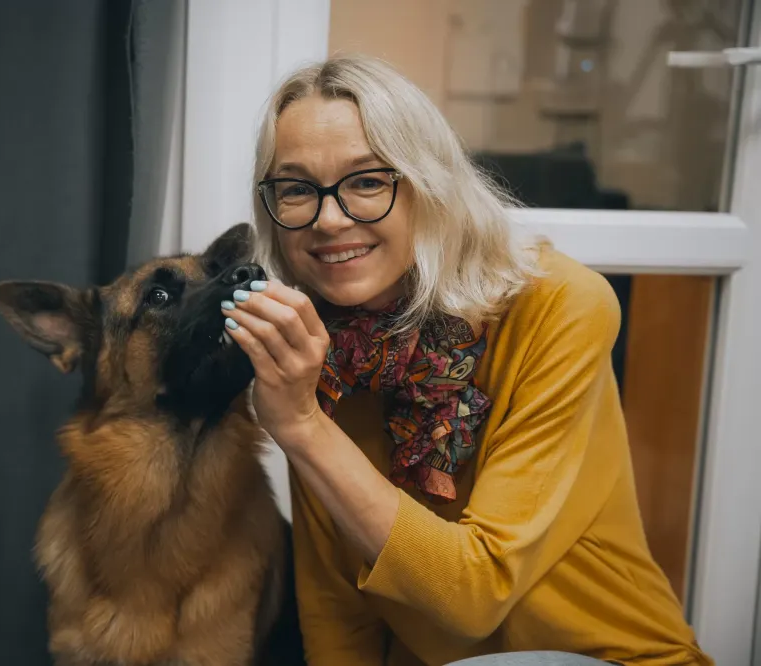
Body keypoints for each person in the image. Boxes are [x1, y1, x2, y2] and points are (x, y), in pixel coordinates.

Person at [219, 55, 712, 666]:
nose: (328, 218)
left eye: (368, 181)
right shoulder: (315, 344)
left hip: (605, 657)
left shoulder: (560, 306)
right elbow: (335, 604)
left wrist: (301, 426)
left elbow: (475, 593)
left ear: (431, 186)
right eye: (296, 189)